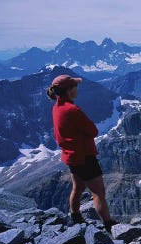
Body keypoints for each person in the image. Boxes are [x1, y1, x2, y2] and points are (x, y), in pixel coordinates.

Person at [46, 75, 117, 232]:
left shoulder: (57, 107)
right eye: (75, 86)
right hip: (84, 157)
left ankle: (75, 215)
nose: (78, 88)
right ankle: (109, 225)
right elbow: (93, 130)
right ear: (70, 90)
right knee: (98, 193)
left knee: (77, 188)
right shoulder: (73, 110)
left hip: (71, 157)